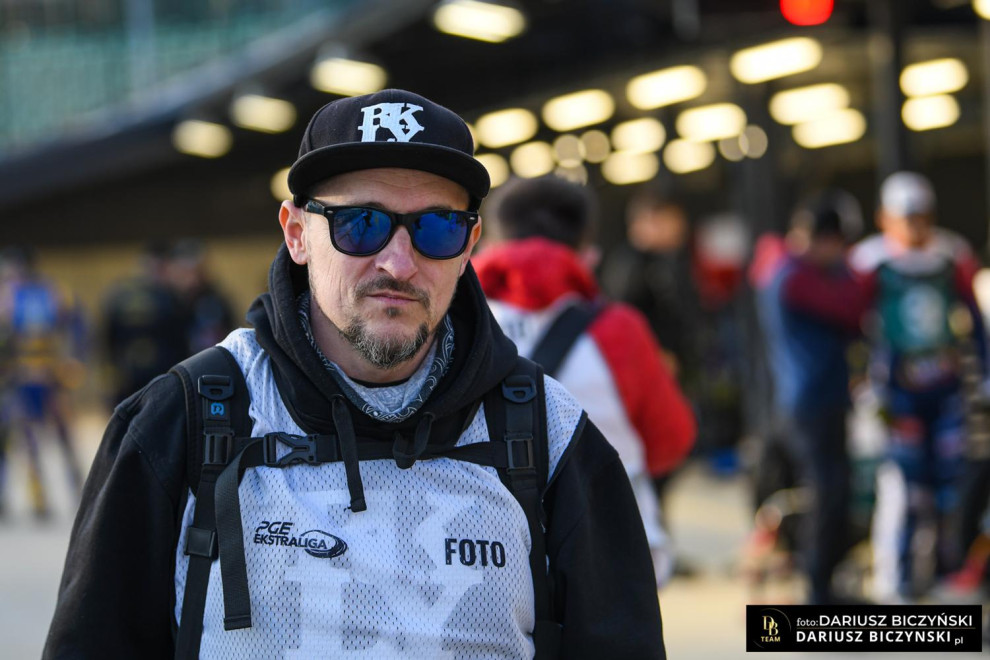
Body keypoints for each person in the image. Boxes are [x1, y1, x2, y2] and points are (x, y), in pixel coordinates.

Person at [44, 89, 665, 659]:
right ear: (297, 234)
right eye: (360, 224)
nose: (399, 263)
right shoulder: (180, 422)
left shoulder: (551, 437)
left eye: (436, 228)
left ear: (470, 245)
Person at [473, 176, 697, 588]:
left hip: (487, 561)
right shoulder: (619, 331)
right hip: (611, 561)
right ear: (587, 253)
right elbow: (672, 440)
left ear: (486, 244)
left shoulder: (455, 331)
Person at [849, 171, 985, 600]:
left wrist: (983, 373)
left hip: (946, 390)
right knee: (905, 488)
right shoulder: (870, 263)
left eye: (921, 217)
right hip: (897, 392)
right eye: (905, 218)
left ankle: (948, 570)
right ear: (885, 218)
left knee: (950, 486)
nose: (914, 227)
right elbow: (851, 324)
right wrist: (861, 380)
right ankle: (899, 576)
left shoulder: (950, 256)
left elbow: (974, 318)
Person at [752, 190, 866, 604]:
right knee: (828, 494)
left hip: (808, 400)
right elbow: (852, 308)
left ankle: (824, 583)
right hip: (812, 403)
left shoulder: (783, 269)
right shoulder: (796, 276)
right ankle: (819, 589)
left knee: (831, 491)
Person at [0, 246, 86, 519]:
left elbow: (76, 326)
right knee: (25, 437)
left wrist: (73, 359)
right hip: (20, 375)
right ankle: (39, 498)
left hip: (50, 374)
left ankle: (80, 491)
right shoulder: (10, 295)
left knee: (62, 435)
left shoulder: (51, 292)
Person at [100, 241, 189, 405]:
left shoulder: (123, 294)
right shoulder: (170, 297)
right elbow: (110, 337)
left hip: (145, 373)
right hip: (143, 374)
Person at [168, 239, 237, 355]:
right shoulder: (170, 303)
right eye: (186, 272)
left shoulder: (215, 301)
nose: (192, 279)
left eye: (196, 271)